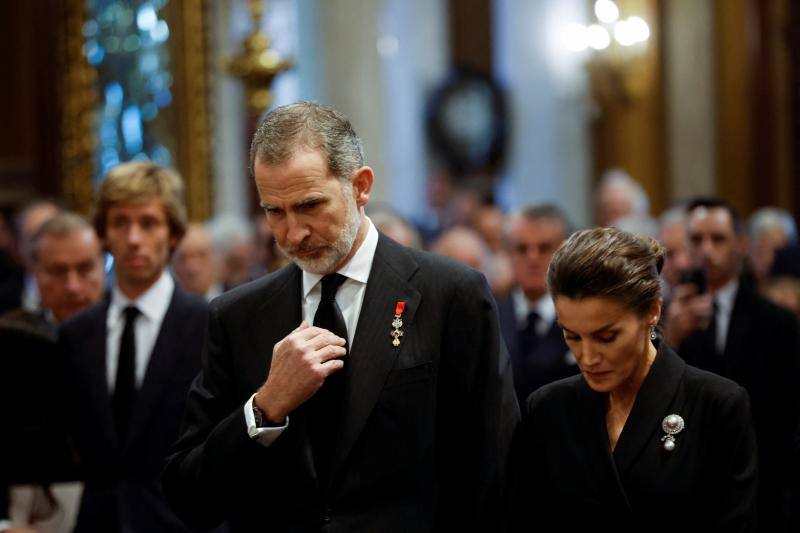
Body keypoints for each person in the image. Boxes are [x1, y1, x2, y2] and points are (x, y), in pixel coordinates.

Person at [162, 101, 519, 532]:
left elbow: (494, 472)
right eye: (275, 212)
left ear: (360, 187)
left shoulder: (450, 295)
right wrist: (264, 407)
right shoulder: (237, 316)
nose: (293, 234)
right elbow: (188, 492)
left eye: (310, 205)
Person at [512, 227, 758, 530]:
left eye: (607, 337)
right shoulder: (548, 408)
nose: (588, 357)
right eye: (572, 336)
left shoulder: (716, 404)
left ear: (652, 311)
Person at [58, 161, 207, 532]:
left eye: (148, 222)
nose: (134, 238)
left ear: (172, 232)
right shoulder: (76, 333)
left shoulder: (208, 326)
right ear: (103, 234)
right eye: (120, 223)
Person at [672, 198, 800, 530]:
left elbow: (785, 414)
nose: (706, 250)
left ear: (741, 245)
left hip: (759, 484)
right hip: (685, 485)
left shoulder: (778, 322)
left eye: (718, 239)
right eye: (697, 240)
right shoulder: (665, 317)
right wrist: (669, 338)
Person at [0, 212, 105, 532]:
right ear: (34, 272)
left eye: (85, 269)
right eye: (58, 272)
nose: (73, 286)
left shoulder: (130, 344)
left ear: (103, 267)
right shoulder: (11, 345)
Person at [496, 204, 577, 404]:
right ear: (508, 253)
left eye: (544, 248)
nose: (532, 258)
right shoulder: (491, 314)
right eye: (522, 249)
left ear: (564, 252)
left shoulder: (580, 317)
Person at [171, 222, 223, 300]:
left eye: (202, 255)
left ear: (216, 259)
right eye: (183, 258)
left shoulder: (235, 303)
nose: (193, 268)